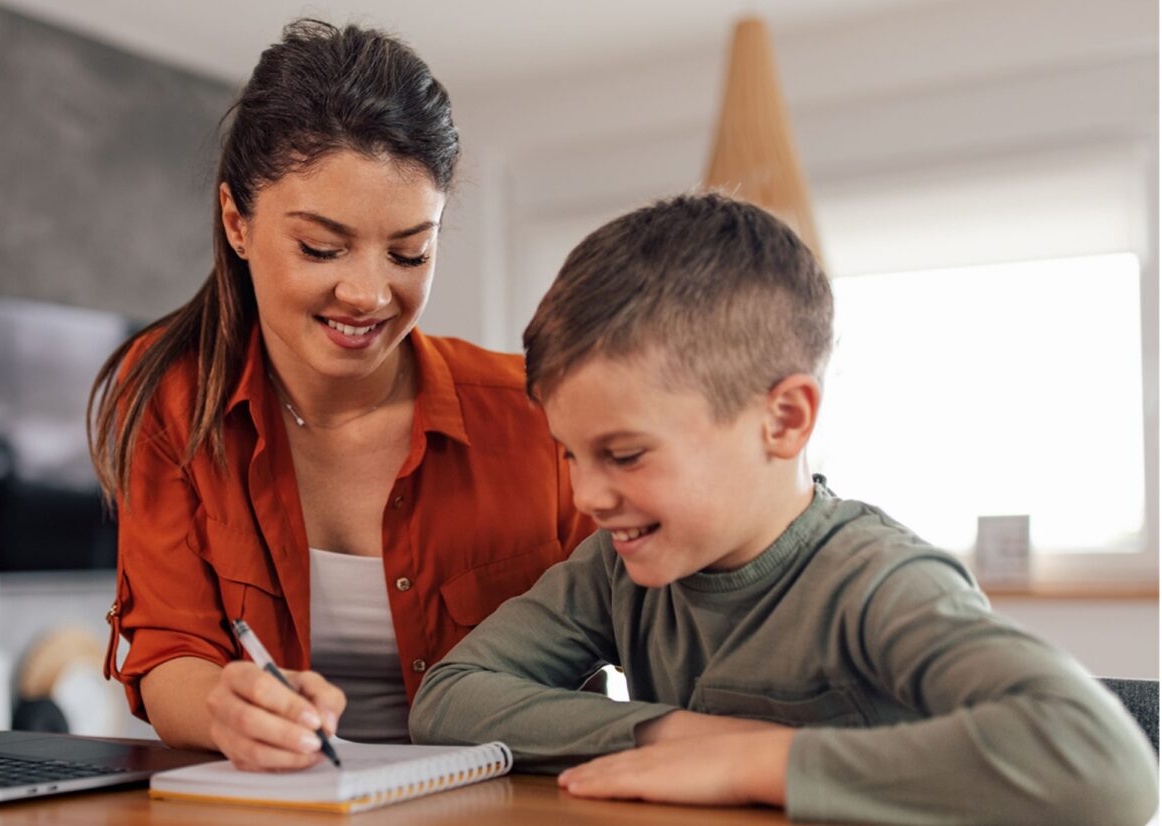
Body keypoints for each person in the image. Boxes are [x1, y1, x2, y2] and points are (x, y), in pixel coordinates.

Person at [409, 192, 1158, 823]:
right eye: (569, 453)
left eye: (626, 455)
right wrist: (676, 731)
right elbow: (449, 699)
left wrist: (759, 759)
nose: (588, 495)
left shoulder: (876, 581)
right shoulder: (615, 568)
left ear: (785, 419)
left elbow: (1110, 769)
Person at [88, 20, 590, 771]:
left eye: (409, 252)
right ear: (237, 222)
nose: (366, 293)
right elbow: (171, 654)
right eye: (321, 248)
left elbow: (649, 627)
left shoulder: (537, 412)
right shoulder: (170, 400)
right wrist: (227, 708)